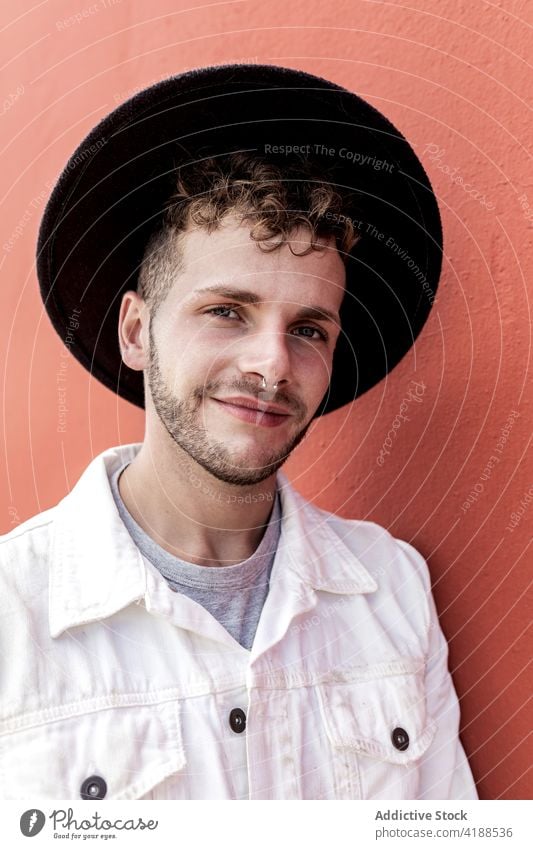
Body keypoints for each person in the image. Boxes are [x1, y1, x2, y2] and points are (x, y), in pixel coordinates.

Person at [0, 64, 477, 800]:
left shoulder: (390, 587)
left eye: (310, 328)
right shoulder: (14, 610)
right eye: (227, 310)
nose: (271, 363)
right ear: (136, 330)